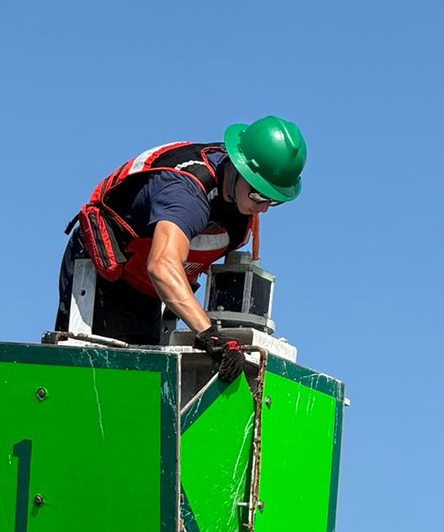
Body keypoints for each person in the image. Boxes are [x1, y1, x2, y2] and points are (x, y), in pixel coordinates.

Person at [56, 115, 307, 378]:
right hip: (104, 278)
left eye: (274, 201)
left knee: (146, 383)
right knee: (96, 380)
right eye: (259, 195)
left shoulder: (237, 197)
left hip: (151, 293)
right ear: (238, 166)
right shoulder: (185, 193)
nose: (264, 208)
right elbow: (162, 265)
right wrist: (211, 336)